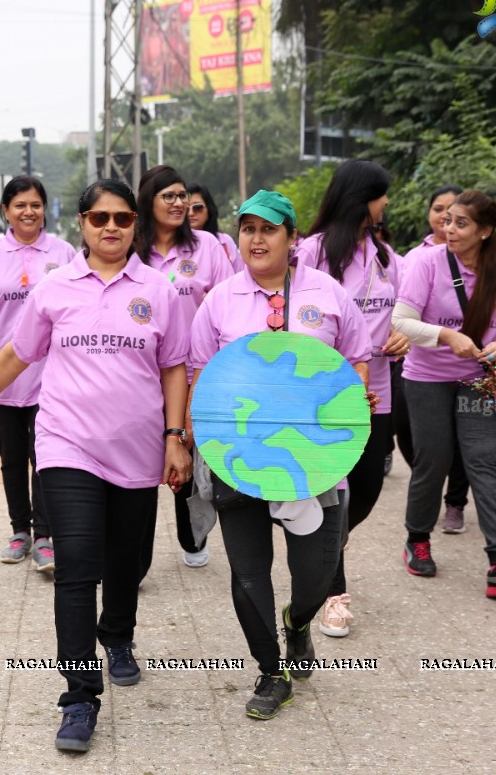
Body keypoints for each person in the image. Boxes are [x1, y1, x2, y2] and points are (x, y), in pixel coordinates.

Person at [0, 179, 190, 753]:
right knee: (76, 565)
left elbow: (174, 368)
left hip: (138, 449)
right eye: (98, 217)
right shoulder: (55, 288)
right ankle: (79, 697)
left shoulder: (159, 291)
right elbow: (17, 353)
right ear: (83, 223)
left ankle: (117, 635)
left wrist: (174, 438)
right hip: (67, 445)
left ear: (135, 223)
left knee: (126, 560)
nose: (110, 227)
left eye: (121, 217)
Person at [188, 189, 372, 720]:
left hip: (313, 459)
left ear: (292, 238)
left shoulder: (328, 294)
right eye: (248, 228)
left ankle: (297, 624)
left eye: (269, 229)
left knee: (318, 570)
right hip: (240, 457)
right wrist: (193, 441)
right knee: (248, 573)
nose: (256, 238)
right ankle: (271, 672)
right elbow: (201, 373)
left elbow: (356, 360)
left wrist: (353, 402)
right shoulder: (219, 300)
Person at [392, 189, 496, 599]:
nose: (449, 228)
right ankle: (417, 539)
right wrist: (445, 335)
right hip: (427, 379)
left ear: (485, 231)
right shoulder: (427, 261)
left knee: (487, 462)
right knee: (433, 461)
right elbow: (402, 321)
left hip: (479, 380)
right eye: (447, 219)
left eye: (461, 223)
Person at [294, 159, 409, 638]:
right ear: (362, 198)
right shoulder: (313, 252)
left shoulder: (385, 255)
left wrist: (404, 332)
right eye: (381, 196)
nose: (386, 205)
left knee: (365, 491)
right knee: (334, 493)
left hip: (375, 392)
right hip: (322, 396)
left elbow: (404, 309)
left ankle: (326, 551)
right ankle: (332, 593)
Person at [0, 176, 74, 571]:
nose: (29, 212)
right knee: (11, 459)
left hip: (52, 376)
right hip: (3, 375)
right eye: (20, 205)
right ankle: (20, 531)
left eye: (36, 204)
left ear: (46, 209)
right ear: (6, 211)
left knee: (44, 457)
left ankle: (45, 535)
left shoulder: (64, 253)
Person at [138, 165, 235, 570]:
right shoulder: (131, 247)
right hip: (141, 374)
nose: (180, 204)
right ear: (148, 201)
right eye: (170, 196)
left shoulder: (207, 246)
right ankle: (135, 555)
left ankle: (190, 534)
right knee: (139, 466)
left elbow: (230, 301)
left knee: (185, 456)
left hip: (194, 374)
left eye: (183, 197)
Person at [392, 185, 472, 534]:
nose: (444, 217)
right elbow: (401, 308)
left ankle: (455, 502)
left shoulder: (481, 258)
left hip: (467, 364)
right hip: (417, 361)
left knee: (466, 438)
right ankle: (432, 483)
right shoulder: (414, 257)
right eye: (438, 209)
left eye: (452, 211)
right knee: (417, 438)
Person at [187, 181, 243, 272]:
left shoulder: (224, 242)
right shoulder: (173, 245)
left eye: (197, 207)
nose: (191, 213)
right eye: (185, 208)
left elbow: (240, 275)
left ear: (209, 209)